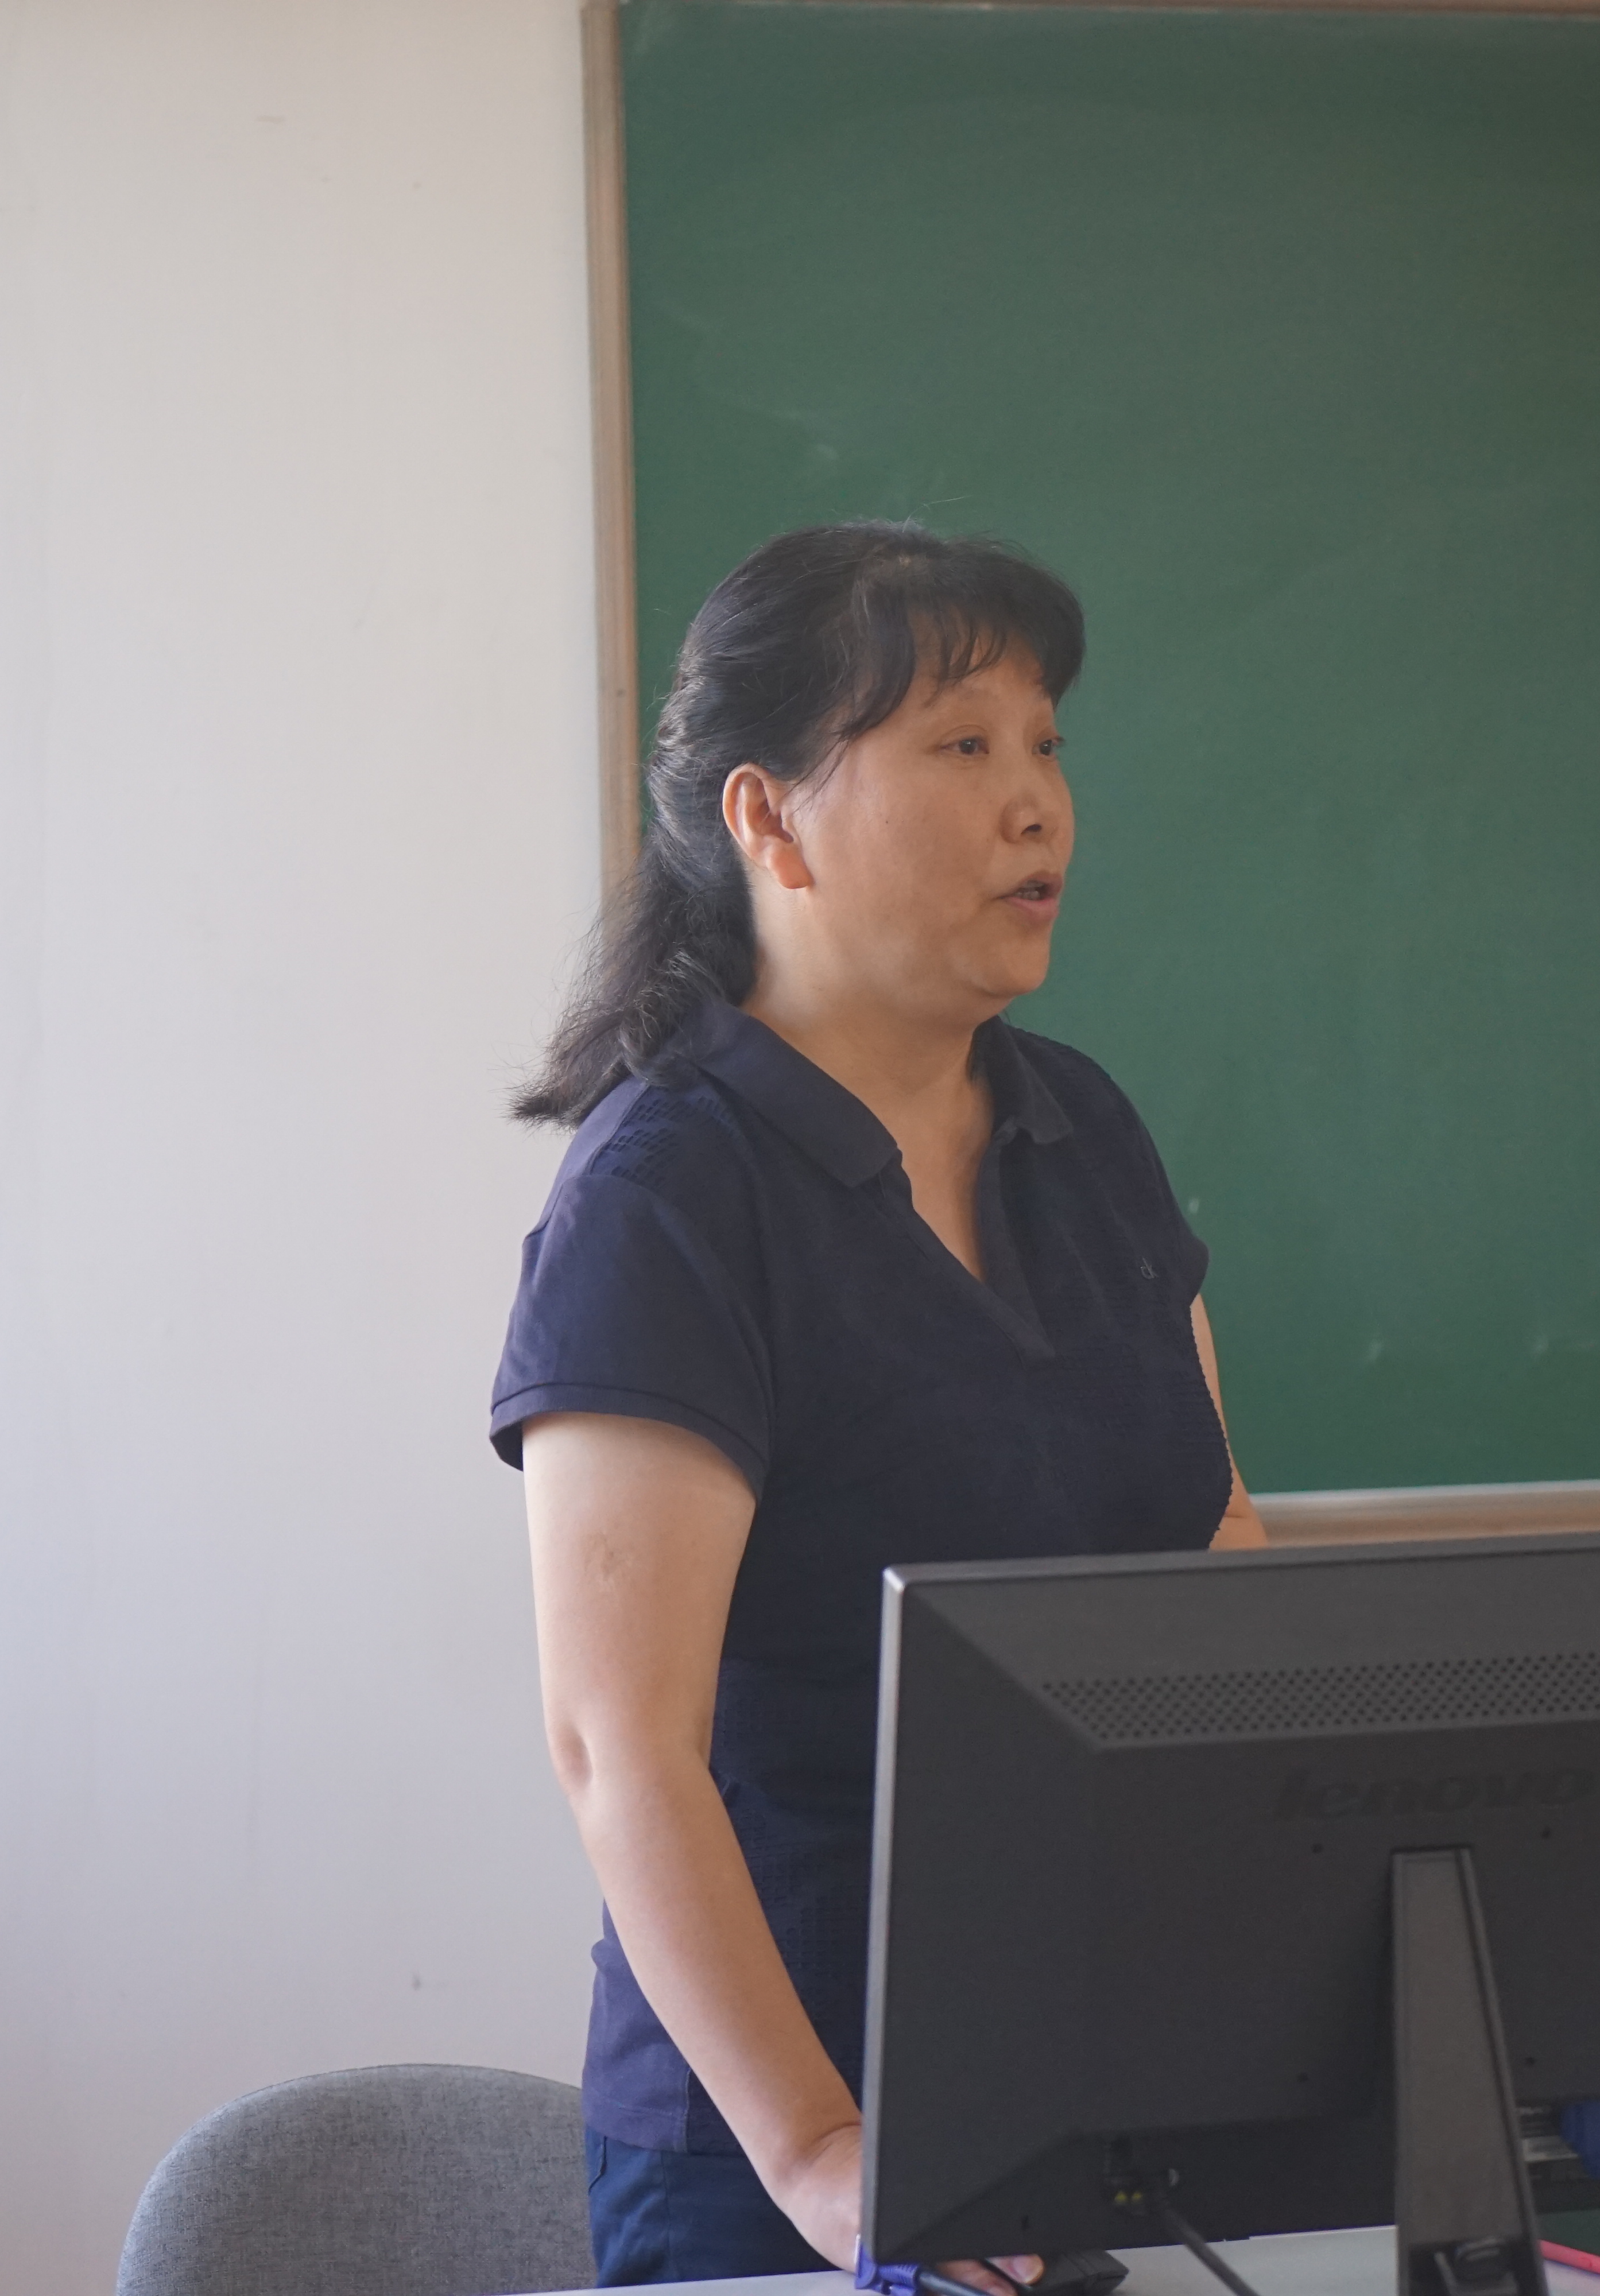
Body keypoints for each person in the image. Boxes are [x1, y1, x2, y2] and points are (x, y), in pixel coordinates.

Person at [493, 522, 1264, 2291]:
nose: (1038, 803)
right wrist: (823, 2154)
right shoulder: (669, 1193)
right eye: (962, 745)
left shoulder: (1084, 1130)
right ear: (768, 822)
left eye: (1047, 744)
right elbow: (620, 1741)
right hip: (784, 2152)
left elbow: (1217, 1539)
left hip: (1119, 2081)